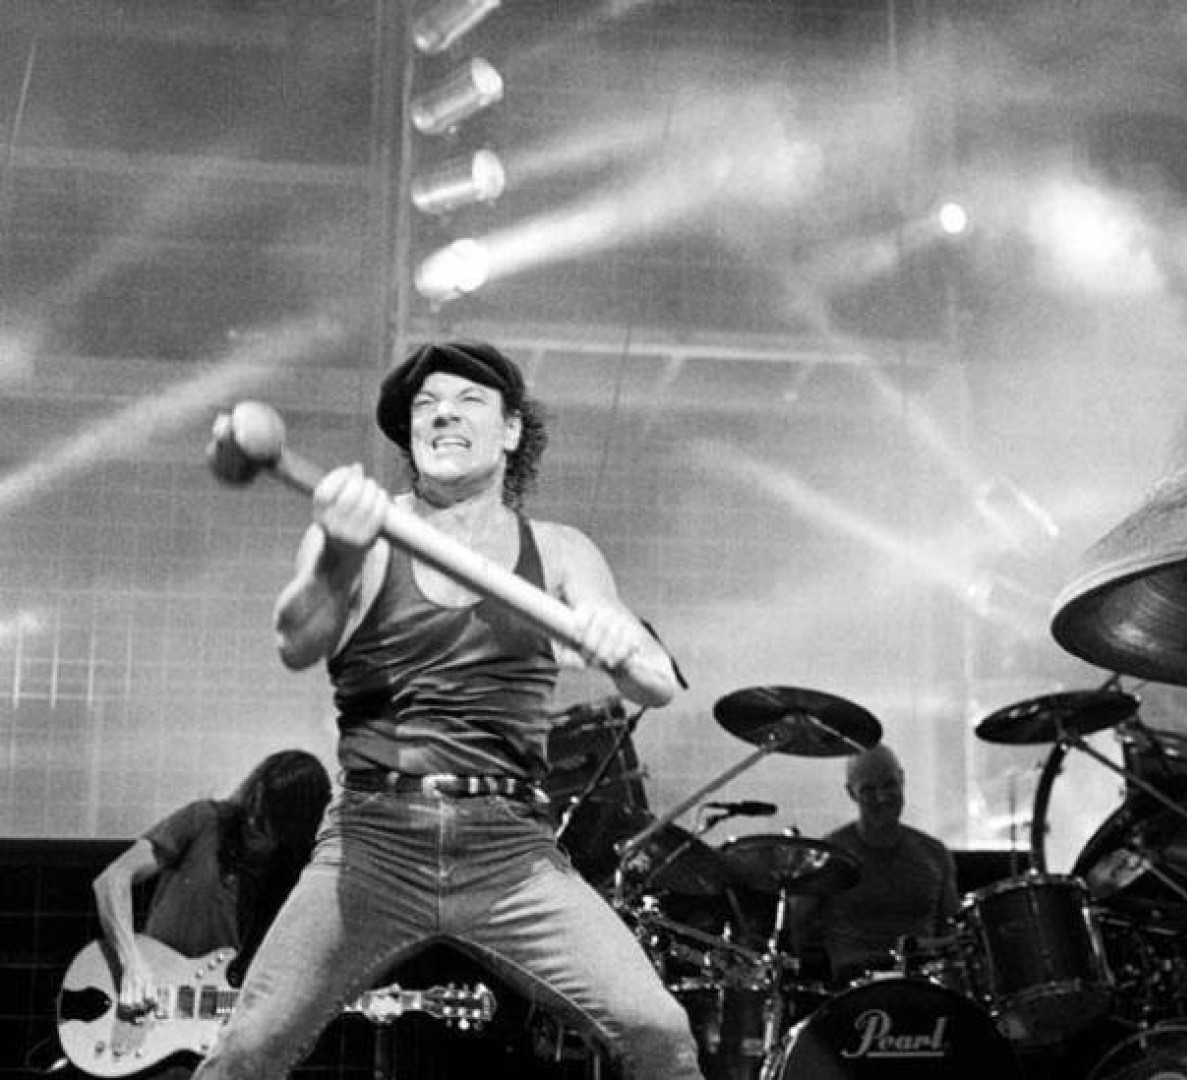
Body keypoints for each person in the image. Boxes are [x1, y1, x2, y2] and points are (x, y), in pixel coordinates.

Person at [193, 341, 701, 1080]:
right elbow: (295, 643)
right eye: (425, 407)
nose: (443, 415)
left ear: (511, 430)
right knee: (249, 1047)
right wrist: (337, 554)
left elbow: (657, 686)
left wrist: (617, 643)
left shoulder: (561, 551)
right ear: (411, 436)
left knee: (659, 1029)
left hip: (511, 850)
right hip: (374, 841)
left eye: (468, 401)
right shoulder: (361, 531)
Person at [91, 749, 331, 1079]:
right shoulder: (203, 820)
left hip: (211, 1043)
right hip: (147, 1017)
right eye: (254, 803)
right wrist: (131, 963)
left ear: (293, 827)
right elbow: (112, 879)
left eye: (267, 818)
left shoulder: (292, 882)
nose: (252, 819)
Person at [790, 743, 961, 987]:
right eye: (868, 790)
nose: (881, 797)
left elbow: (952, 934)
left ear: (902, 780)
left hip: (922, 990)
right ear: (851, 793)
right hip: (852, 993)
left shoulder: (935, 855)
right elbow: (800, 936)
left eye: (889, 785)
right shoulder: (826, 857)